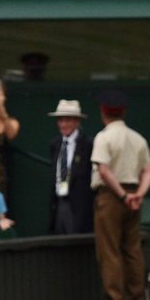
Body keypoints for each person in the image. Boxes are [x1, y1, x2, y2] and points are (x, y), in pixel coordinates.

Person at [89, 89, 150, 300]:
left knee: (110, 251)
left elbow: (104, 170)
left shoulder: (103, 137)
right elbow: (148, 171)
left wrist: (123, 196)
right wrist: (138, 195)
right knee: (133, 250)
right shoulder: (138, 138)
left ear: (103, 112)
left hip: (111, 197)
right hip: (133, 197)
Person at [47, 98, 95, 235]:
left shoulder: (88, 144)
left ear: (77, 121)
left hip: (80, 207)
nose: (63, 124)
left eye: (67, 120)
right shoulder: (54, 144)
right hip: (59, 204)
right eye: (60, 120)